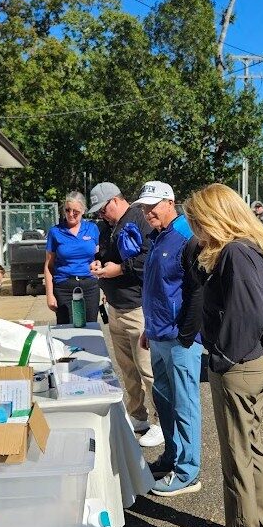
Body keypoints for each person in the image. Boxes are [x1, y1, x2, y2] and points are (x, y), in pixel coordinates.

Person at [184, 184, 263, 527]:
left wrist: (223, 358)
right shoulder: (249, 247)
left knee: (237, 459)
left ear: (214, 217)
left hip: (238, 365)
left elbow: (249, 315)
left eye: (197, 221)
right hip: (251, 361)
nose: (195, 230)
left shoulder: (237, 252)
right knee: (252, 448)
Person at [135, 181, 204, 496]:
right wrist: (149, 328)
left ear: (170, 202)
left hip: (180, 340)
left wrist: (186, 335)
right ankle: (172, 457)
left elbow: (197, 292)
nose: (148, 212)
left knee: (185, 404)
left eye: (153, 206)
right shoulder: (160, 236)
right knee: (163, 400)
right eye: (145, 207)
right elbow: (158, 290)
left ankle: (189, 471)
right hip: (158, 335)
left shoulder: (186, 237)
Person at [88, 182, 163, 447]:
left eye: (102, 210)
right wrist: (99, 264)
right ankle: (138, 415)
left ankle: (161, 422)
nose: (100, 215)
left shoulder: (139, 218)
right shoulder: (106, 227)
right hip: (116, 307)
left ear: (115, 201)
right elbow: (106, 254)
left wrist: (117, 270)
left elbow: (146, 259)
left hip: (138, 308)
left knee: (148, 369)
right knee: (128, 369)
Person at [44, 191, 100, 325]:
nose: (70, 214)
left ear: (83, 211)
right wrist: (49, 295)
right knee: (66, 328)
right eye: (67, 210)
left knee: (90, 328)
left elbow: (98, 257)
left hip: (90, 285)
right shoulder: (55, 232)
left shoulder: (92, 229)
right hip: (64, 286)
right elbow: (49, 266)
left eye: (76, 211)